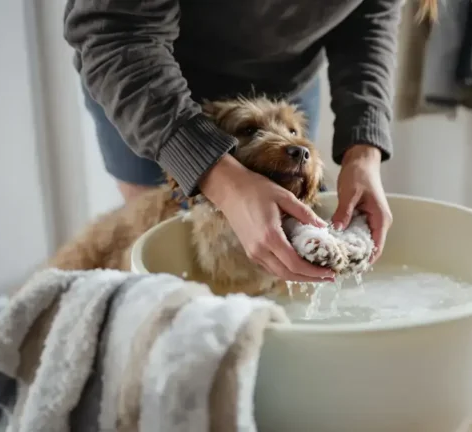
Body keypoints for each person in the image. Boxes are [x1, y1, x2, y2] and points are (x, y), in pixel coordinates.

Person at [63, 0, 437, 284]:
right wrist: (216, 175)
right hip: (147, 84)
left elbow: (368, 20)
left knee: (282, 269)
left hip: (284, 87)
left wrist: (363, 153)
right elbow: (115, 29)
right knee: (169, 272)